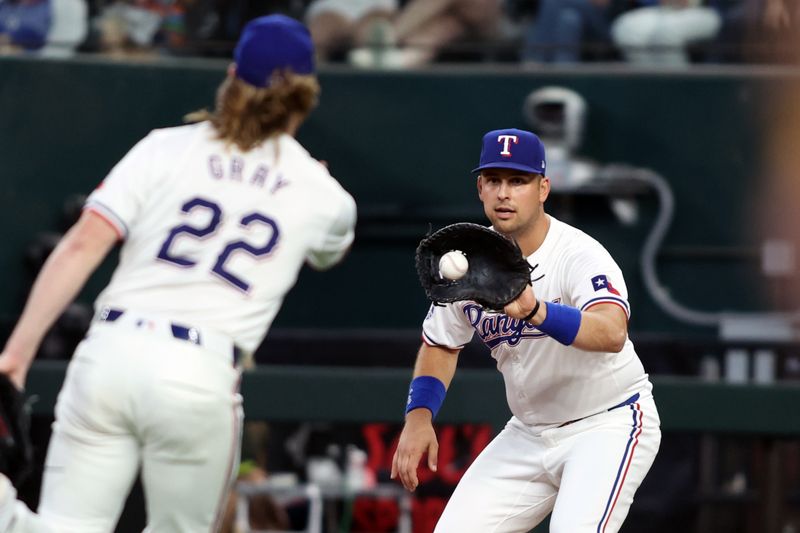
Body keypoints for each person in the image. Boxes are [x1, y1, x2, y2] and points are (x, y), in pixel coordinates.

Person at [0, 13, 356, 533]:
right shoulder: (324, 196)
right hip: (198, 370)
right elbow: (329, 254)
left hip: (110, 352)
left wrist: (16, 354)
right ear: (306, 95)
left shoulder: (164, 146)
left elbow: (81, 245)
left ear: (232, 76)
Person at [391, 128, 661, 532]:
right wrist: (418, 416)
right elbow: (441, 345)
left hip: (607, 423)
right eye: (495, 180)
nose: (504, 193)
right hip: (529, 434)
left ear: (543, 189)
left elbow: (611, 333)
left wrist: (536, 311)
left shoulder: (578, 254)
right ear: (480, 187)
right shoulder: (469, 263)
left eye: (518, 181)